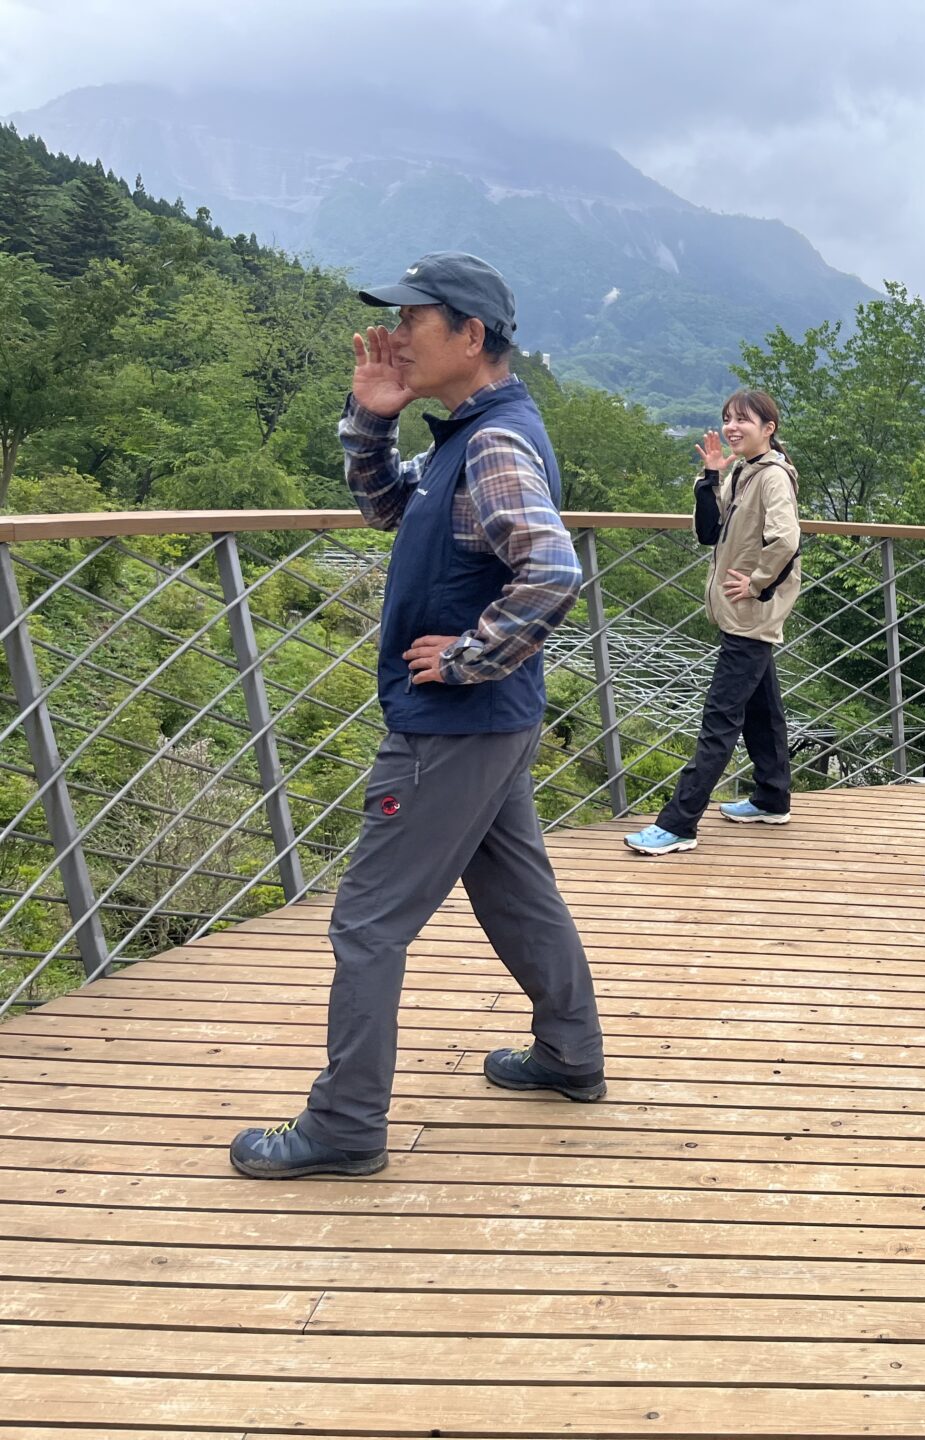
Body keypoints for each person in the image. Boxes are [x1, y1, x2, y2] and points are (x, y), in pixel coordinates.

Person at [230, 251, 606, 1180]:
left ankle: (345, 1126)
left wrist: (471, 655)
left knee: (366, 923)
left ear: (470, 336)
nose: (396, 334)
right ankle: (569, 1054)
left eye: (415, 320)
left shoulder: (492, 443)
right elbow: (385, 508)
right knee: (517, 891)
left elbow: (553, 572)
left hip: (453, 727)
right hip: (493, 722)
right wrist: (371, 419)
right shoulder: (468, 433)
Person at [624, 390, 802, 855]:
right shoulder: (743, 472)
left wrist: (759, 584)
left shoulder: (773, 478)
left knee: (719, 720)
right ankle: (772, 795)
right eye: (727, 418)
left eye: (743, 419)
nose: (732, 425)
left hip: (750, 613)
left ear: (769, 428)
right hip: (740, 615)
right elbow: (709, 532)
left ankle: (680, 822)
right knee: (762, 709)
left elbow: (785, 540)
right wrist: (710, 475)